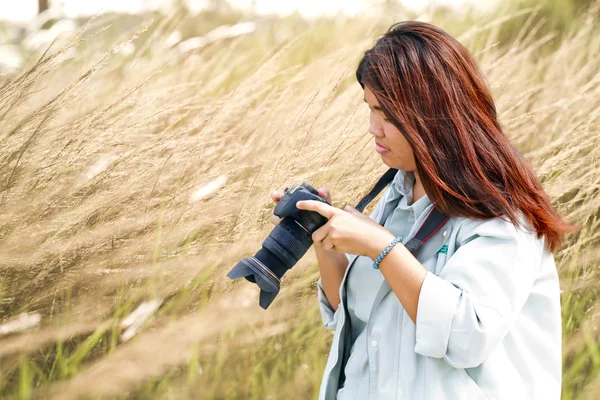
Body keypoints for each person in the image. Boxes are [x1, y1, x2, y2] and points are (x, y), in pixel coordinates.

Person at [271, 21, 577, 400]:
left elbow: (468, 334)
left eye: (385, 113)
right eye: (369, 109)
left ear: (432, 114)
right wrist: (321, 230)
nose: (372, 128)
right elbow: (350, 311)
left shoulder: (504, 213)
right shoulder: (397, 195)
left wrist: (381, 246)